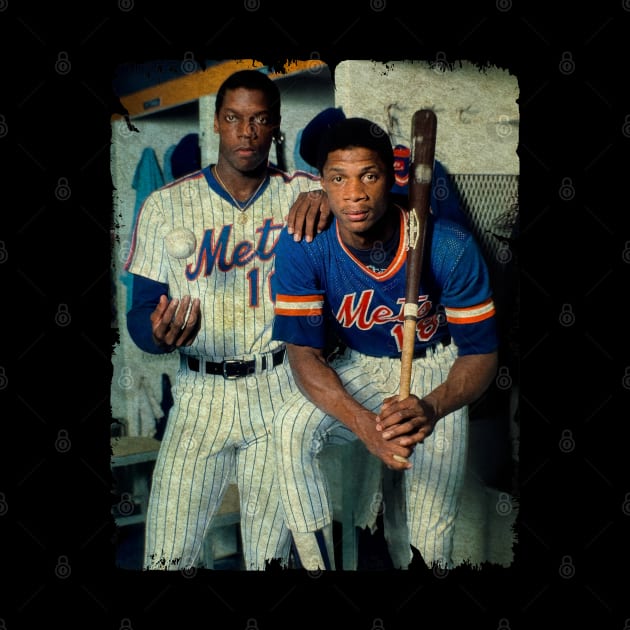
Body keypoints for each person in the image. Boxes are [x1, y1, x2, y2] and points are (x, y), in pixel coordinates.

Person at [271, 116, 499, 570]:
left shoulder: (448, 245)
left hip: (437, 371)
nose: (354, 193)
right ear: (322, 183)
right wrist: (361, 424)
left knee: (431, 536)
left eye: (368, 176)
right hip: (361, 365)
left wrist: (432, 407)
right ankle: (317, 566)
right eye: (338, 178)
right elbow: (304, 355)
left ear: (389, 176)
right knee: (288, 426)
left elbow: (481, 353)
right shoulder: (304, 244)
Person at [124, 68, 329, 570]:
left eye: (260, 120)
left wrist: (329, 196)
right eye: (235, 118)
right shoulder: (165, 205)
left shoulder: (302, 194)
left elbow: (375, 205)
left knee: (269, 557)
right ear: (217, 123)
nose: (247, 132)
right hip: (200, 394)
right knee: (167, 554)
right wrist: (156, 334)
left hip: (278, 388)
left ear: (275, 126)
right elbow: (139, 312)